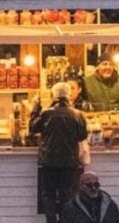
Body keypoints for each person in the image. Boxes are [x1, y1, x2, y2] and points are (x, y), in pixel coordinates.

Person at [31, 82, 89, 223]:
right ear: (69, 96)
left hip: (48, 159)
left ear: (53, 96)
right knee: (66, 194)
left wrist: (35, 107)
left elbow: (32, 127)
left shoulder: (46, 113)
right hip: (69, 161)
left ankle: (51, 220)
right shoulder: (77, 114)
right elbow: (82, 135)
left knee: (48, 194)